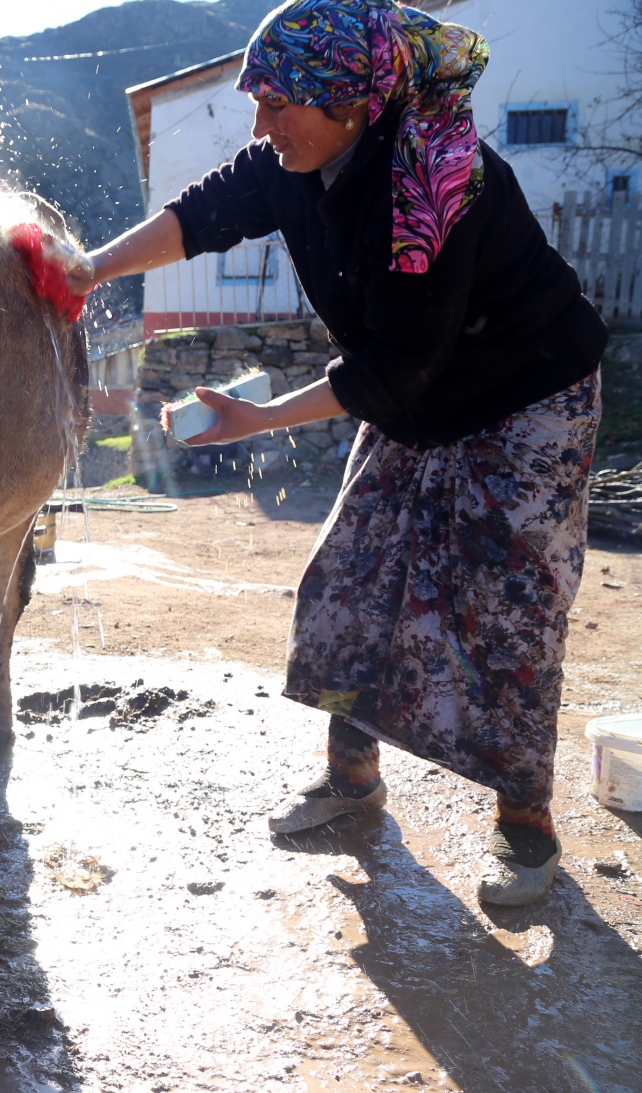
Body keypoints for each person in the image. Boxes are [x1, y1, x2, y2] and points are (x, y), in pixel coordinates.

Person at [72, 0, 607, 905]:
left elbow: (396, 367)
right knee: (348, 575)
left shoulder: (437, 178)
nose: (260, 125)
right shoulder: (295, 161)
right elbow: (203, 214)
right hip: (418, 389)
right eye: (258, 102)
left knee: (510, 605)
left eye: (278, 104)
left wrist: (259, 418)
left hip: (528, 392)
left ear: (351, 102)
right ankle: (352, 780)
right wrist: (88, 269)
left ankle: (526, 824)